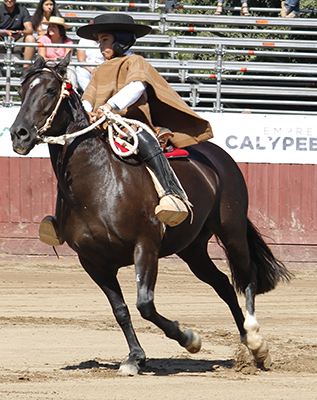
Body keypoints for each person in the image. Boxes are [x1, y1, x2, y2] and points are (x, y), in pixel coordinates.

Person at [38, 13, 214, 246]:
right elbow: (89, 96)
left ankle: (172, 194)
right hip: (100, 124)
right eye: (99, 41)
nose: (100, 46)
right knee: (70, 155)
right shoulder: (100, 70)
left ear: (120, 40)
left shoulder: (136, 62)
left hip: (131, 123)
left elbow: (136, 87)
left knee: (146, 141)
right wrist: (87, 110)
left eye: (104, 40)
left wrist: (110, 106)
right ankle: (62, 216)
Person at [0, 0, 35, 78]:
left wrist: (21, 33)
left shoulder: (22, 10)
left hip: (18, 41)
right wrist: (5, 32)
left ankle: (26, 69)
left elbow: (30, 30)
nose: (9, 0)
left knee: (31, 38)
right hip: (2, 41)